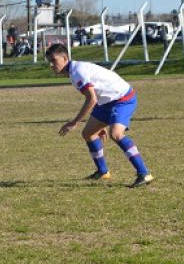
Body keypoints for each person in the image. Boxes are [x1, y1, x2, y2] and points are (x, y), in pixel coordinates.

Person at [45, 43, 154, 188]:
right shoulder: (73, 71)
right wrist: (100, 123)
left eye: (54, 60)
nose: (51, 65)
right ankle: (103, 171)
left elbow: (91, 99)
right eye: (49, 62)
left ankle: (144, 173)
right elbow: (96, 97)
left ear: (65, 58)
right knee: (89, 133)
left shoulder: (78, 71)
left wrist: (74, 122)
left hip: (122, 98)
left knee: (116, 134)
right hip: (106, 102)